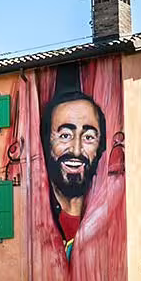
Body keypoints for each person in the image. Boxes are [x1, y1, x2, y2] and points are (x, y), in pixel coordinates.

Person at [40, 89, 107, 260]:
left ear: (100, 148)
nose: (76, 150)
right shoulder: (36, 219)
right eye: (65, 136)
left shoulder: (109, 222)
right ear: (46, 143)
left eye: (89, 137)